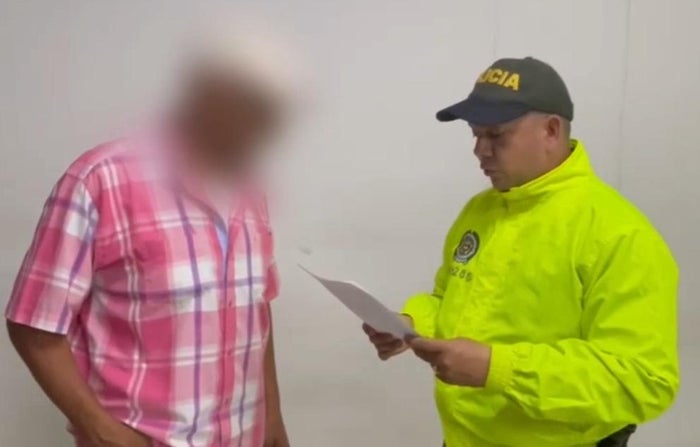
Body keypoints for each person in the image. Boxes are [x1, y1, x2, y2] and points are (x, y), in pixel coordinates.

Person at [5, 15, 303, 447]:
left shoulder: (251, 189)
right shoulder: (101, 180)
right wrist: (101, 430)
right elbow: (33, 324)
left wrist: (271, 420)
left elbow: (255, 312)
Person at [364, 57, 679, 447]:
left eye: (496, 135)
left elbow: (643, 380)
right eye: (475, 135)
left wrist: (498, 369)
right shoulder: (482, 211)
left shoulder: (619, 234)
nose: (480, 150)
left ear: (551, 130)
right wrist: (410, 324)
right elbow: (450, 298)